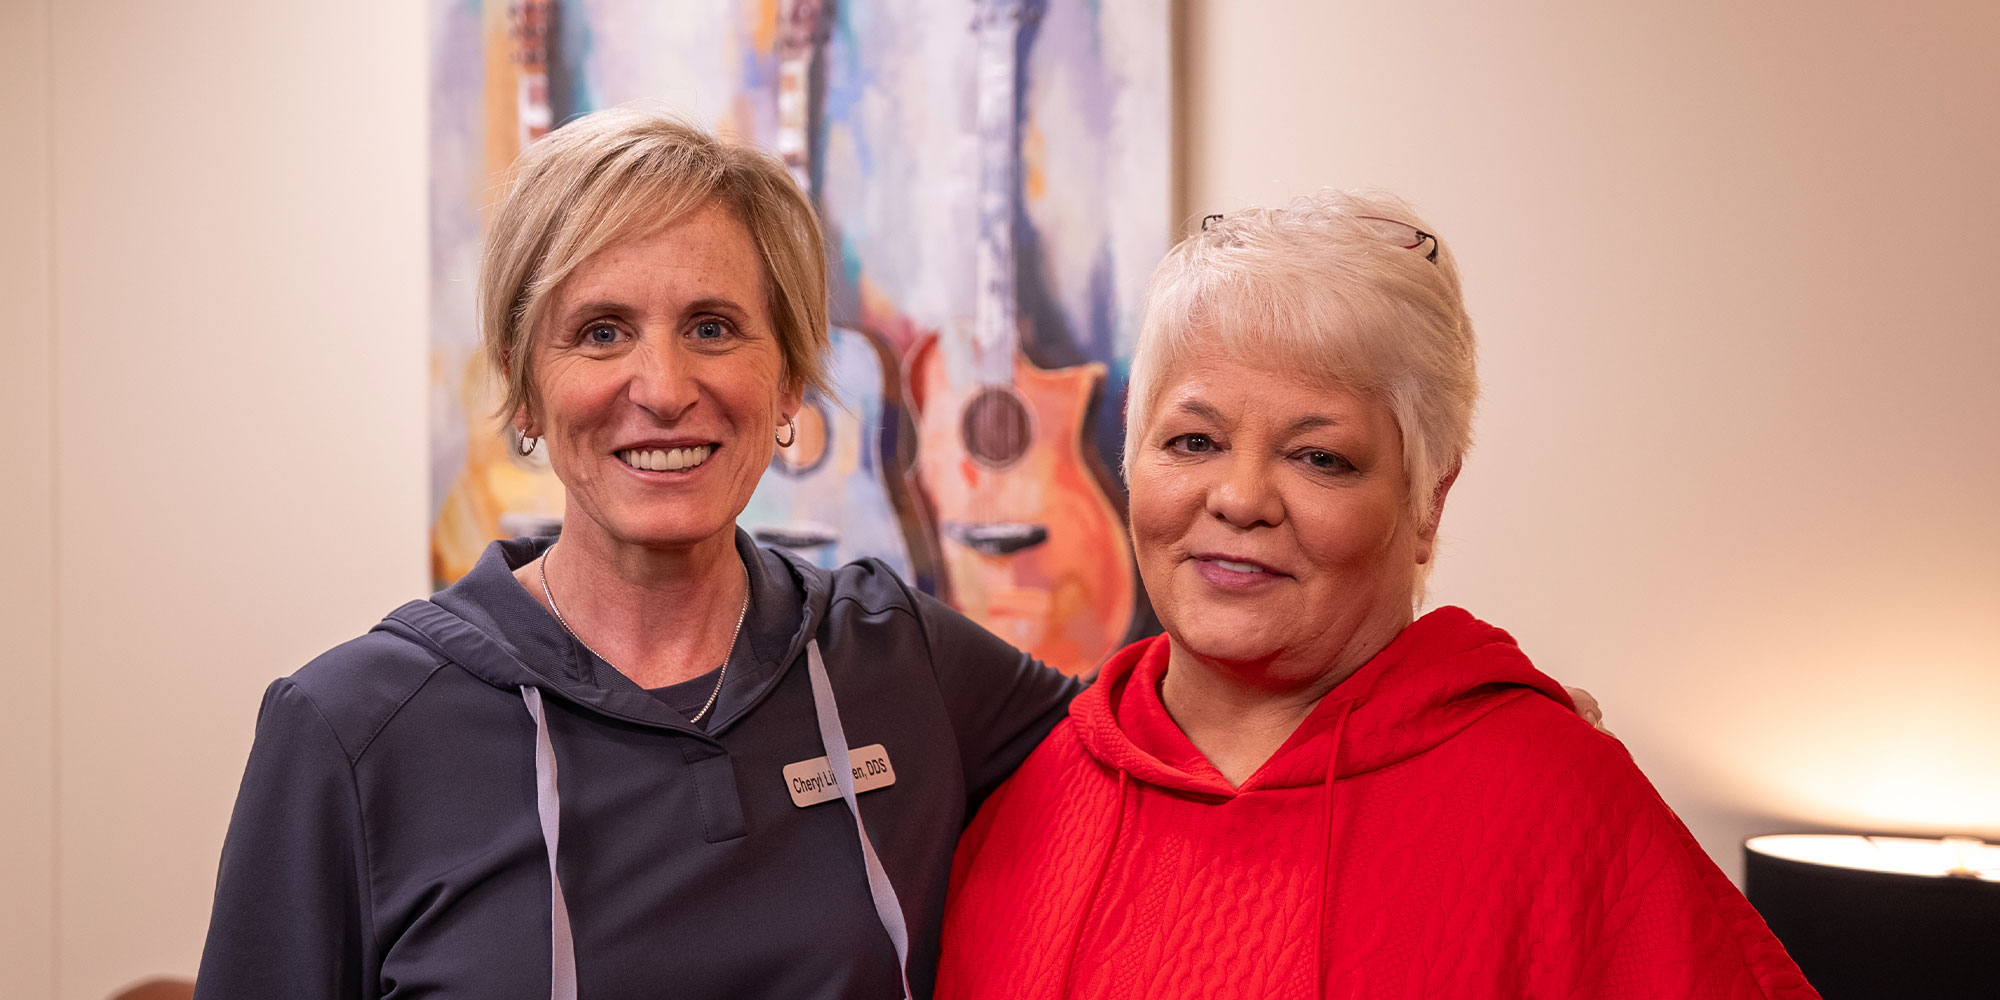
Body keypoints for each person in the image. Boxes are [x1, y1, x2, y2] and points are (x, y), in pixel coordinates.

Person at [192, 109, 1078, 1000]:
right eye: (602, 331)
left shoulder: (898, 661)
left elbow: (1173, 761)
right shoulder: (353, 729)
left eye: (713, 328)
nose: (662, 390)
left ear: (788, 383)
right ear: (524, 386)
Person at [935, 192, 1820, 999]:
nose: (1241, 498)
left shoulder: (1558, 802)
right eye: (1194, 441)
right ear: (1132, 463)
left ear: (1428, 500)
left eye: (1320, 456)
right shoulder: (1023, 790)